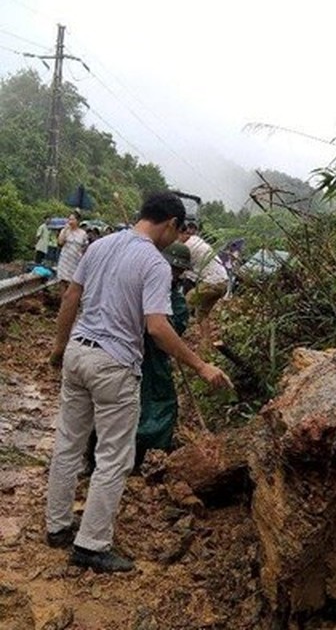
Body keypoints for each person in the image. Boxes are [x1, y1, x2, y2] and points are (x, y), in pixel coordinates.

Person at [45, 192, 233, 574]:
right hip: (113, 364)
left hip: (79, 351)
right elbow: (157, 327)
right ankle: (92, 544)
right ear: (170, 224)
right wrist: (201, 366)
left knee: (68, 443)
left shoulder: (99, 246)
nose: (175, 241)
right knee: (114, 456)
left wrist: (59, 347)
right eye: (178, 233)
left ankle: (57, 526)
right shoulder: (154, 263)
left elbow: (71, 297)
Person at [135, 241, 191, 469]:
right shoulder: (141, 282)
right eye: (171, 268)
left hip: (155, 360)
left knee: (161, 403)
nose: (172, 274)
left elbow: (172, 329)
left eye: (177, 271)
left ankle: (141, 457)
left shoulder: (176, 300)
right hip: (129, 353)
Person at [56, 212, 87, 292]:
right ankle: (62, 302)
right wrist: (65, 230)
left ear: (78, 221)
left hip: (76, 261)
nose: (70, 221)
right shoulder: (64, 231)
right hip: (65, 260)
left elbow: (85, 248)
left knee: (72, 283)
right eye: (69, 219)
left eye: (72, 219)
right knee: (62, 282)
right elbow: (60, 242)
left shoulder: (83, 233)